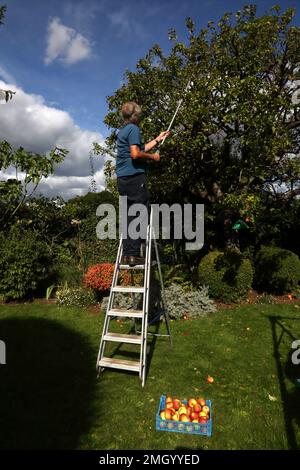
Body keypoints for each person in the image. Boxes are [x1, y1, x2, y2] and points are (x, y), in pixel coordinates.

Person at [116, 101, 170, 266]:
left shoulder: (123, 131)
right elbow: (135, 154)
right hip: (134, 177)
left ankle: (128, 253)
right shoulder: (134, 129)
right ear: (135, 115)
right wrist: (153, 157)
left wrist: (157, 140)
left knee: (129, 213)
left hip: (123, 178)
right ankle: (133, 253)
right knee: (140, 212)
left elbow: (139, 148)